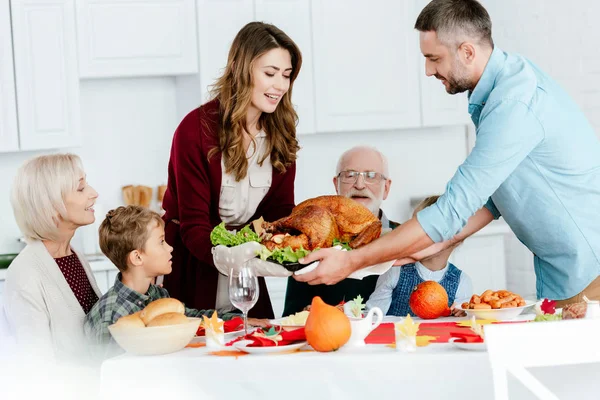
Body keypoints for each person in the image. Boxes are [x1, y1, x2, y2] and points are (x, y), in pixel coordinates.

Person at [296, 0, 600, 308]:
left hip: (590, 272)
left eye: (434, 58)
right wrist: (434, 242)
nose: (428, 71)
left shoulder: (513, 105)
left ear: (467, 52)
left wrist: (352, 262)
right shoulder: (499, 88)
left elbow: (454, 207)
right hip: (563, 275)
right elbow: (493, 196)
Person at [161, 22, 303, 318]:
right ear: (240, 67)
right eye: (269, 73)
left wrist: (285, 248)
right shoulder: (195, 130)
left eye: (286, 75)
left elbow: (280, 211)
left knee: (257, 345)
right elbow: (194, 225)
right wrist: (227, 256)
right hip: (193, 265)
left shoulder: (281, 133)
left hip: (250, 269)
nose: (280, 85)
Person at [84, 206, 265, 356]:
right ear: (137, 257)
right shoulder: (112, 317)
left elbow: (190, 318)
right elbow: (108, 378)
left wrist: (241, 320)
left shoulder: (156, 294)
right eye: (162, 242)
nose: (170, 248)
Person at [4, 154, 101, 363]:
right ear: (51, 204)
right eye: (81, 188)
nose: (94, 194)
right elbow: (37, 366)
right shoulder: (25, 273)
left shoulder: (74, 256)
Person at [283, 146, 399, 315]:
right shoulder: (309, 242)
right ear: (336, 185)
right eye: (349, 175)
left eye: (371, 176)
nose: (359, 185)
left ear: (386, 188)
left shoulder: (406, 238)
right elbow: (292, 317)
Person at [366, 196, 472, 316]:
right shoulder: (394, 271)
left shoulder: (462, 282)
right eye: (417, 230)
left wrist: (462, 313)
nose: (420, 237)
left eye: (432, 231)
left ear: (458, 239)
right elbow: (372, 316)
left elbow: (463, 323)